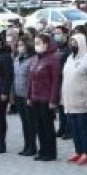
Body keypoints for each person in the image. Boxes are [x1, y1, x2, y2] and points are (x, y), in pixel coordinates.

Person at [61, 33, 87, 165]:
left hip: (83, 102)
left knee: (84, 129)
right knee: (74, 129)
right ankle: (77, 150)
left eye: (75, 43)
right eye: (71, 42)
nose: (72, 45)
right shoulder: (70, 58)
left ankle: (85, 153)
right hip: (70, 101)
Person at [28, 33, 61, 163]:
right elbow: (30, 79)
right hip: (35, 97)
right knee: (39, 126)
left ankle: (50, 152)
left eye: (39, 43)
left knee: (48, 126)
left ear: (46, 44)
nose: (36, 45)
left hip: (46, 98)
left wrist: (53, 100)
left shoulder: (52, 59)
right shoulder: (35, 59)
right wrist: (29, 95)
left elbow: (55, 82)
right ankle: (42, 150)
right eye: (35, 43)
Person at [13, 40, 37, 157]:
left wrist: (30, 95)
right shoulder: (17, 59)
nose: (20, 47)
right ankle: (26, 144)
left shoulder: (32, 59)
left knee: (30, 122)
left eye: (22, 45)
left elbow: (32, 79)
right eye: (18, 45)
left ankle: (32, 146)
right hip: (18, 94)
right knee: (24, 122)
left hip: (27, 95)